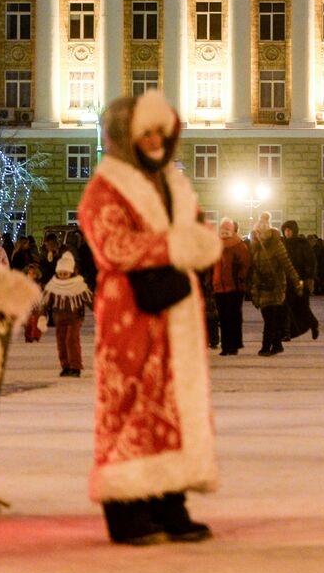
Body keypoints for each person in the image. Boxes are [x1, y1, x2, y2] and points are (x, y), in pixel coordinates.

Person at [77, 89, 222, 546]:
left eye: (163, 131)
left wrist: (195, 241)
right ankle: (125, 508)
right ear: (126, 136)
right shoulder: (106, 186)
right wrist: (176, 246)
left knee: (173, 404)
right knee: (129, 401)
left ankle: (169, 500)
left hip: (177, 311)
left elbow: (193, 226)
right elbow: (111, 244)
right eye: (147, 133)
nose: (157, 140)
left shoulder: (173, 183)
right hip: (131, 313)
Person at [248, 213, 300, 357]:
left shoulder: (276, 244)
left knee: (270, 318)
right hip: (261, 286)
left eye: (263, 231)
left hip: (276, 286)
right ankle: (277, 345)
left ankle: (266, 347)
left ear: (268, 230)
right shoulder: (255, 246)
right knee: (269, 318)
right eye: (258, 231)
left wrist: (297, 281)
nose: (260, 234)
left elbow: (287, 264)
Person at [38, 250, 92, 377]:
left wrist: (101, 312)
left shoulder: (79, 285)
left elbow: (90, 301)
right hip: (59, 319)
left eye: (65, 273)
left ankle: (75, 366)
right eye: (61, 273)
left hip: (75, 317)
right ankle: (66, 366)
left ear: (71, 272)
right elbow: (45, 303)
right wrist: (42, 315)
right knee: (61, 342)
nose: (63, 275)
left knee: (71, 340)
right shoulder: (52, 286)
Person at [212, 218, 252, 355]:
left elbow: (245, 264)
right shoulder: (215, 245)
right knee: (223, 318)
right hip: (219, 287)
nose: (223, 232)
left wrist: (240, 277)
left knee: (233, 317)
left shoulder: (239, 246)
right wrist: (210, 280)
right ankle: (225, 346)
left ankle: (233, 345)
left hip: (235, 287)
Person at [280, 220, 319, 340]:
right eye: (285, 230)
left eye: (289, 230)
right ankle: (286, 333)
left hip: (300, 281)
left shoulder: (302, 244)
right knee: (285, 306)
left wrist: (308, 278)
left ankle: (313, 323)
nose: (287, 233)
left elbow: (310, 261)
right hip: (286, 280)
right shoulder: (281, 244)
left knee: (303, 307)